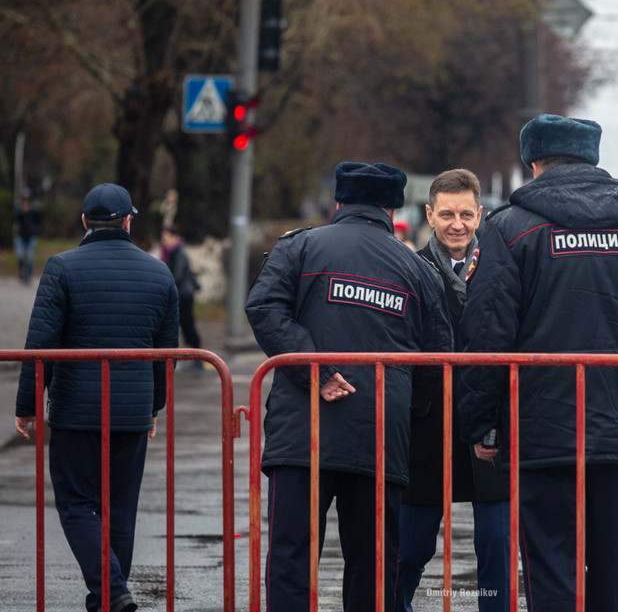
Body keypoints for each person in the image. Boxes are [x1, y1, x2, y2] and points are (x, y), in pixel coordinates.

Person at [457, 114, 618, 611]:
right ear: (593, 157)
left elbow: (486, 333)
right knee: (610, 558)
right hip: (612, 426)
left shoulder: (509, 229)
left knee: (549, 560)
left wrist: (481, 424)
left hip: (538, 430)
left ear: (534, 161)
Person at [245, 162, 453, 612]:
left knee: (292, 558)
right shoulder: (418, 271)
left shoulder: (300, 247)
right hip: (380, 436)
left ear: (338, 202)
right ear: (391, 208)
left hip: (303, 437)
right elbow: (438, 357)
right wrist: (405, 408)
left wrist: (316, 372)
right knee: (374, 565)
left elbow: (264, 307)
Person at [14, 183, 179, 612]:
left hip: (76, 412)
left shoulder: (62, 268)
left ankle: (111, 591)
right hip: (131, 412)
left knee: (75, 504)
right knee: (121, 508)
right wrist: (154, 405)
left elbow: (41, 344)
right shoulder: (159, 272)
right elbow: (167, 354)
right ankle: (107, 598)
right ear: (128, 221)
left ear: (84, 221)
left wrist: (28, 405)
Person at [396, 169, 509, 612]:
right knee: (411, 548)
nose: (456, 224)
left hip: (491, 428)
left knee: (496, 547)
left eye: (465, 213)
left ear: (480, 214)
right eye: (446, 214)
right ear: (430, 214)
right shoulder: (409, 268)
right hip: (428, 426)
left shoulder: (503, 270)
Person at [160, 226, 202, 360]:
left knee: (187, 324)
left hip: (183, 295)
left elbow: (176, 275)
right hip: (180, 294)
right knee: (183, 324)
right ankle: (193, 354)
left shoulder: (179, 253)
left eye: (166, 238)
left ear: (175, 237)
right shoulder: (170, 252)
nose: (164, 241)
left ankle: (197, 354)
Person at [13, 189, 43, 283]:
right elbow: (14, 218)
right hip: (21, 236)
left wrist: (35, 230)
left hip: (31, 236)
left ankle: (28, 275)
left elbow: (39, 221)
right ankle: (22, 273)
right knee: (20, 255)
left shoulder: (35, 210)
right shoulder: (19, 210)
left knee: (30, 257)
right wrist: (21, 212)